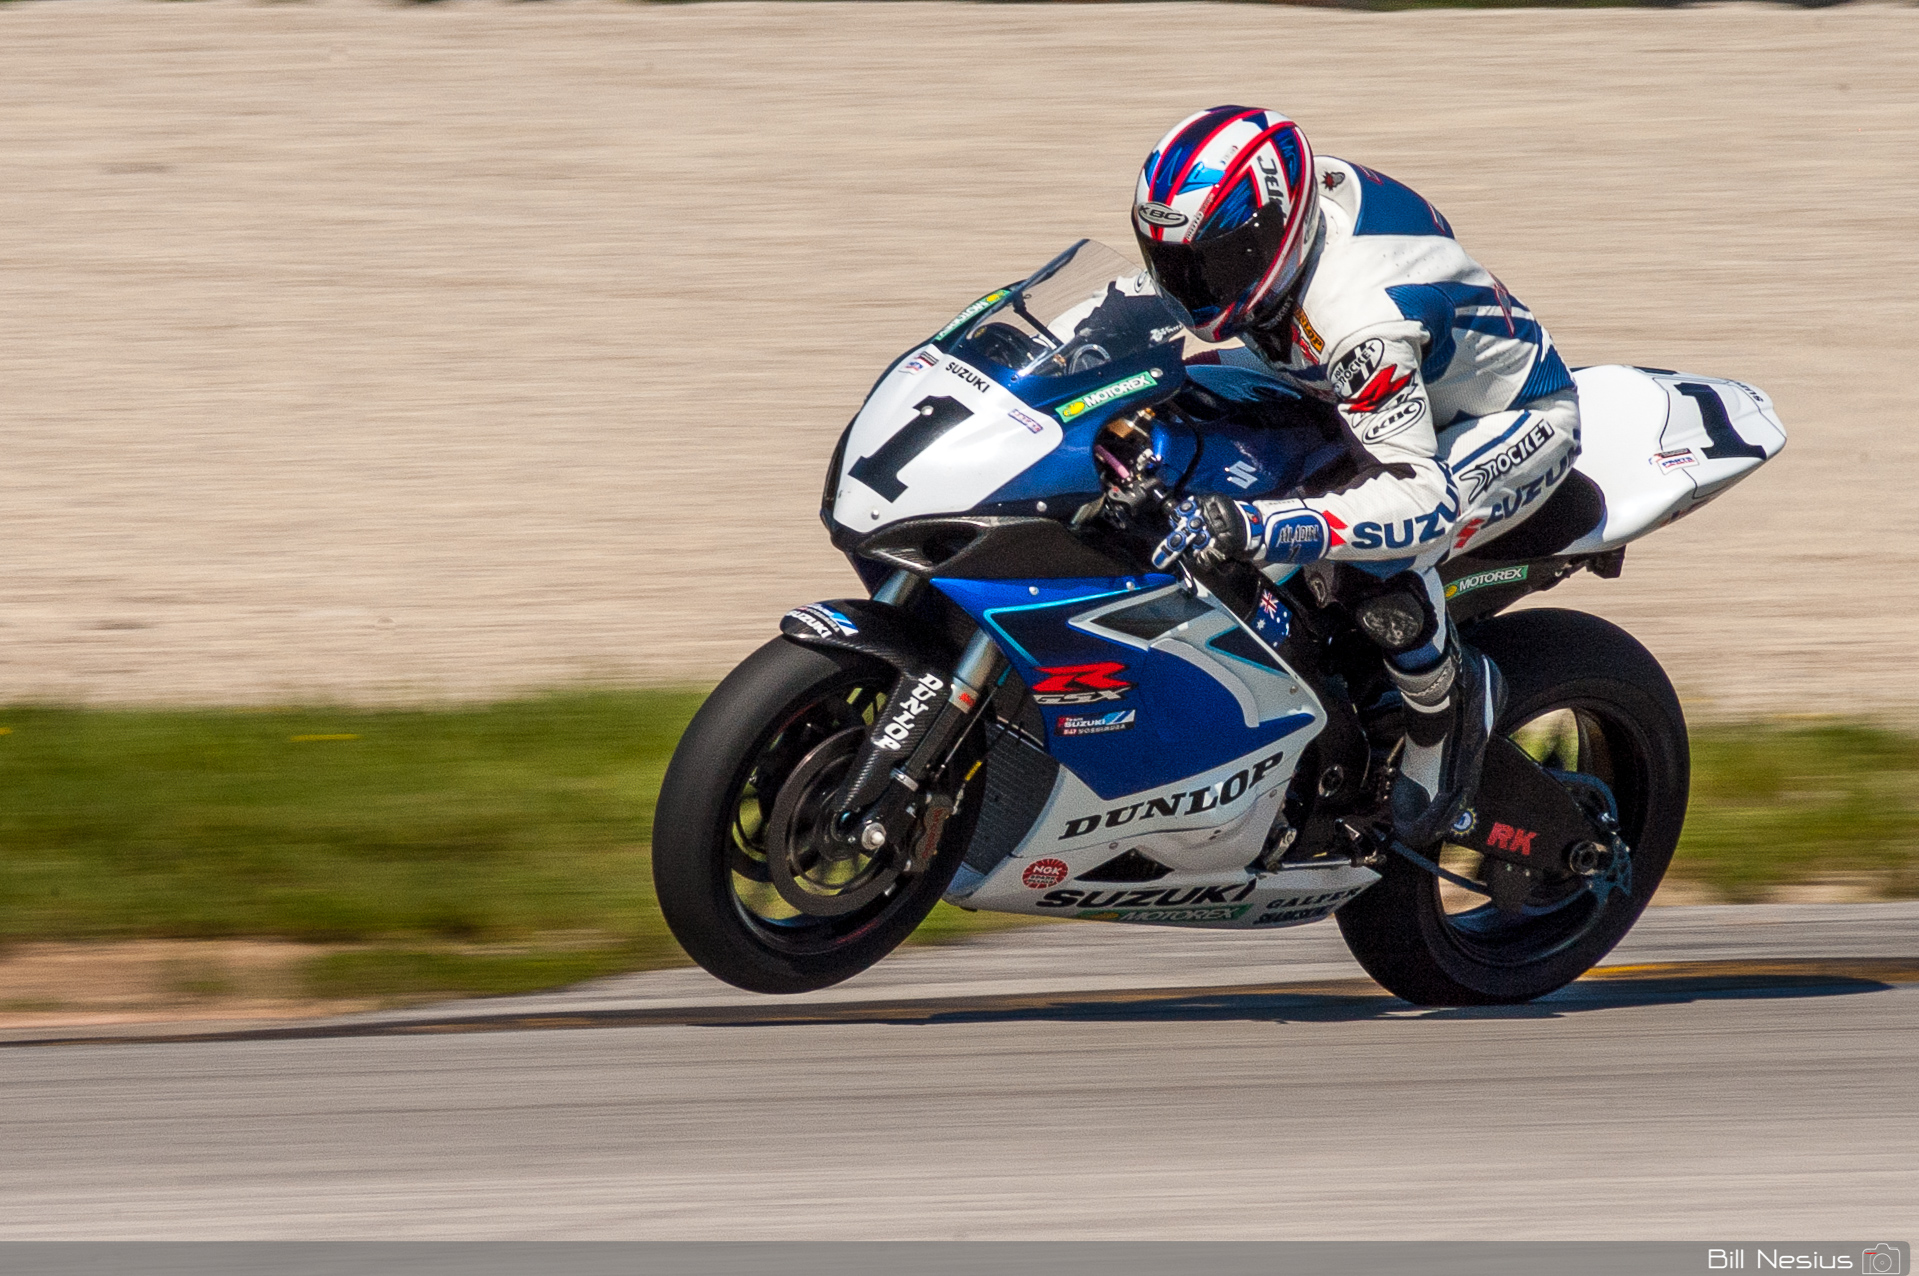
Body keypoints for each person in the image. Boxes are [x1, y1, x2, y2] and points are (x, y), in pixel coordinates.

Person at [1135, 106, 1581, 848]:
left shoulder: (1355, 319)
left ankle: (1447, 711)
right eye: (1171, 262)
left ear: (1272, 233)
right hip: (1363, 387)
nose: (1190, 285)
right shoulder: (1293, 209)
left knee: (1374, 553)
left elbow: (1419, 498)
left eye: (1211, 263)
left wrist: (1257, 526)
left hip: (1501, 421)